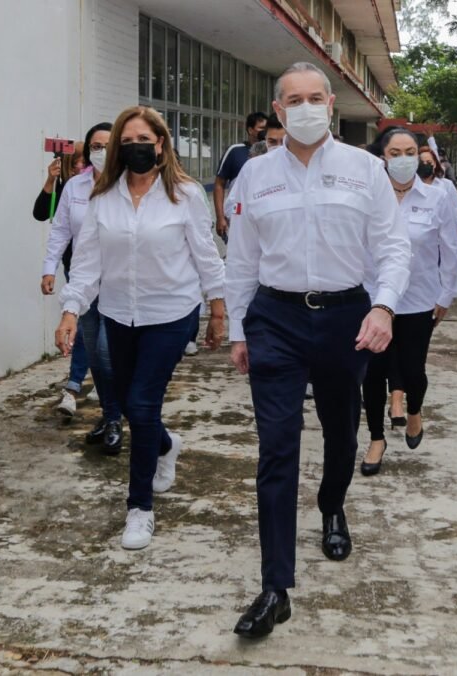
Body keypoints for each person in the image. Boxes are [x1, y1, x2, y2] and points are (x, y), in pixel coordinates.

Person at [225, 62, 410, 638]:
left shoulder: (365, 169)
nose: (305, 108)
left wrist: (383, 307)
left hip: (345, 317)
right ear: (278, 112)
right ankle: (275, 586)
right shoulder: (254, 176)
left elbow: (392, 245)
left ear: (331, 103)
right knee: (276, 449)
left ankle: (332, 504)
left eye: (314, 98)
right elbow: (242, 259)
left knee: (341, 430)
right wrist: (237, 328)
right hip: (274, 320)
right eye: (293, 100)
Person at [55, 105, 226, 550]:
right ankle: (166, 445)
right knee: (134, 407)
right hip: (117, 312)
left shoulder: (185, 194)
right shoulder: (101, 197)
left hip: (171, 313)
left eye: (143, 142)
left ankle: (139, 508)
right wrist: (71, 309)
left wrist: (220, 310)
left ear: (162, 145)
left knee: (141, 402)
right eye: (126, 142)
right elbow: (88, 262)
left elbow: (206, 255)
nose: (135, 149)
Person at [360, 128, 457, 475]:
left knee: (413, 371)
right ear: (383, 157)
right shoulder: (370, 197)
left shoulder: (437, 197)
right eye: (395, 152)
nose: (403, 159)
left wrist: (447, 293)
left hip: (419, 300)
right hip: (374, 300)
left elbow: (450, 248)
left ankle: (414, 409)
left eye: (409, 152)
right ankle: (376, 438)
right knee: (373, 373)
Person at [42, 122, 124, 452]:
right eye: (96, 146)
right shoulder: (75, 186)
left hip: (118, 281)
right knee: (93, 351)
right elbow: (60, 231)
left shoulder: (126, 184)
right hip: (83, 279)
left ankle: (116, 416)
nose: (101, 152)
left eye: (108, 145)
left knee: (107, 351)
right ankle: (109, 415)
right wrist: (49, 269)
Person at [33, 142, 89, 417]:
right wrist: (51, 179)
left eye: (84, 161)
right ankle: (75, 383)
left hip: (98, 266)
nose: (81, 166)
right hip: (74, 267)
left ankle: (84, 381)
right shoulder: (68, 187)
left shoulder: (97, 183)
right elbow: (42, 214)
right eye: (76, 161)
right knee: (82, 323)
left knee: (95, 329)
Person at [213, 111, 268, 241]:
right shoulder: (235, 151)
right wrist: (220, 217)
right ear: (250, 130)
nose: (264, 132)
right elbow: (219, 184)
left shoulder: (273, 151)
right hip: (237, 217)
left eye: (266, 129)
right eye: (261, 128)